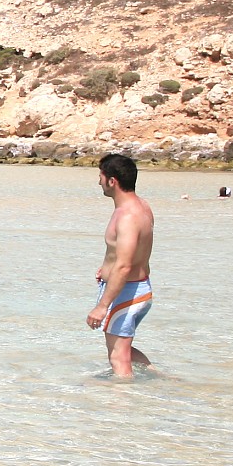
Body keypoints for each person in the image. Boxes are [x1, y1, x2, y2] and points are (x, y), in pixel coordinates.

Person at [87, 152, 155, 378]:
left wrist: (102, 306)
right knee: (122, 349)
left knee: (117, 356)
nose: (99, 182)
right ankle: (159, 377)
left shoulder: (127, 216)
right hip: (138, 289)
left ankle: (121, 405)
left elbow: (124, 266)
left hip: (126, 293)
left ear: (112, 181)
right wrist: (106, 267)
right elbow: (132, 252)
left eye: (101, 176)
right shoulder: (142, 206)